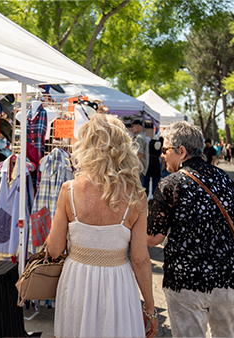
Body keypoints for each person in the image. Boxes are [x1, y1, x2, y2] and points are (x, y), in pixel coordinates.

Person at [46, 114, 157, 338]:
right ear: (124, 148)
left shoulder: (68, 190)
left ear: (85, 147)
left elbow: (54, 250)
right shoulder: (136, 196)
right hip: (117, 283)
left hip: (77, 279)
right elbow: (140, 259)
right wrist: (150, 308)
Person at [147, 121, 234, 338]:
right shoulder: (227, 181)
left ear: (181, 151)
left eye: (165, 150)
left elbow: (153, 238)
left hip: (187, 283)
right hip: (231, 281)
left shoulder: (170, 185)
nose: (162, 155)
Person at [130, 119, 149, 188]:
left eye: (132, 126)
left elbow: (139, 155)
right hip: (140, 169)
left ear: (138, 126)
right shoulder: (141, 136)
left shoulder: (138, 137)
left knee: (137, 191)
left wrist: (132, 167)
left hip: (138, 169)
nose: (131, 129)